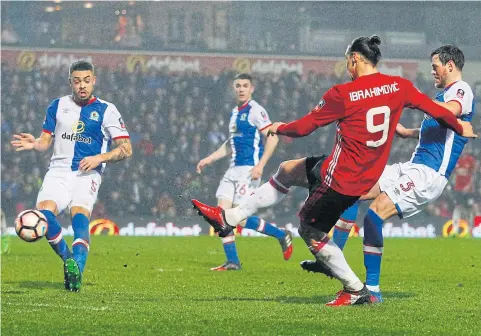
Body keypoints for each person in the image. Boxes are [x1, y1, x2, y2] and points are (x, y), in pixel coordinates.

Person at [192, 36, 476, 305]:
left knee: (326, 225)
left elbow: (304, 127)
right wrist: (427, 130)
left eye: (436, 66)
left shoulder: (345, 93)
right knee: (288, 169)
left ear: (355, 59)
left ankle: (361, 289)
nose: (433, 71)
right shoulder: (398, 86)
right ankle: (232, 217)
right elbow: (438, 113)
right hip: (383, 169)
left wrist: (278, 127)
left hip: (362, 174)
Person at [325, 45, 476, 302]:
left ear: (450, 65)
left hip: (428, 174)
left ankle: (372, 291)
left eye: (435, 66)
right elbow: (439, 124)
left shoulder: (461, 90)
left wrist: (414, 97)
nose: (433, 71)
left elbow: (450, 113)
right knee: (352, 191)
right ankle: (331, 258)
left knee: (374, 215)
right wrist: (408, 132)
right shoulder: (440, 99)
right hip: (411, 167)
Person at [11, 60, 132, 291]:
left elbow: (126, 149)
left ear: (94, 81)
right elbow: (45, 143)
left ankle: (76, 269)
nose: (82, 86)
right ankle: (69, 261)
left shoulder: (107, 110)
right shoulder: (57, 106)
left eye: (87, 81)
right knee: (45, 214)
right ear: (70, 83)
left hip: (87, 174)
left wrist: (100, 158)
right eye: (77, 82)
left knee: (79, 218)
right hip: (58, 171)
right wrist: (36, 143)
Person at [196, 73, 292, 271]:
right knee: (221, 215)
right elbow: (230, 144)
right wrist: (209, 159)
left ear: (252, 88)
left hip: (248, 170)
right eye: (238, 85)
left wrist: (261, 165)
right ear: (233, 88)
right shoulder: (234, 112)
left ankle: (281, 234)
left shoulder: (256, 111)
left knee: (239, 217)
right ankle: (232, 262)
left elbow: (272, 137)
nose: (241, 89)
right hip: (232, 169)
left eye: (245, 85)